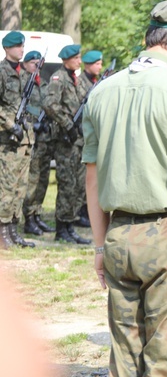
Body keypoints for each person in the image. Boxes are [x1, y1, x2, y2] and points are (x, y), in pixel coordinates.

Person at [82, 0, 167, 377]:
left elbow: (92, 178)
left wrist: (98, 243)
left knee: (124, 360)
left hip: (118, 235)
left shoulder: (101, 92)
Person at [43, 44, 91, 245]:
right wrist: (68, 124)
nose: (79, 61)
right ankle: (62, 227)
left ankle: (70, 225)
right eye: (76, 58)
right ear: (66, 60)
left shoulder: (77, 80)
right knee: (66, 185)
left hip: (78, 140)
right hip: (65, 140)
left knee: (78, 185)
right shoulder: (58, 78)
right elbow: (49, 105)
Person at [0, 31, 35, 249]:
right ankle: (2, 231)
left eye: (23, 46)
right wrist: (10, 124)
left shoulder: (23, 74)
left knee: (21, 187)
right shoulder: (2, 72)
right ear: (7, 48)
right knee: (7, 186)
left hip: (25, 139)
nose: (22, 49)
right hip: (7, 139)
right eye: (18, 46)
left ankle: (14, 230)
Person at [20, 50, 54, 237]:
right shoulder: (23, 82)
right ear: (25, 64)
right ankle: (29, 219)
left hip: (44, 139)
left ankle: (37, 214)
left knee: (43, 179)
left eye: (39, 63)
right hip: (30, 138)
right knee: (32, 180)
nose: (36, 66)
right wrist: (34, 124)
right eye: (33, 63)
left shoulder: (44, 83)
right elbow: (20, 108)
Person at [74, 50, 105, 229]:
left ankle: (84, 211)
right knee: (78, 180)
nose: (99, 67)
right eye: (97, 64)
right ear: (88, 64)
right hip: (78, 136)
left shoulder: (96, 82)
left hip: (87, 135)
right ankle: (78, 213)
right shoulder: (81, 83)